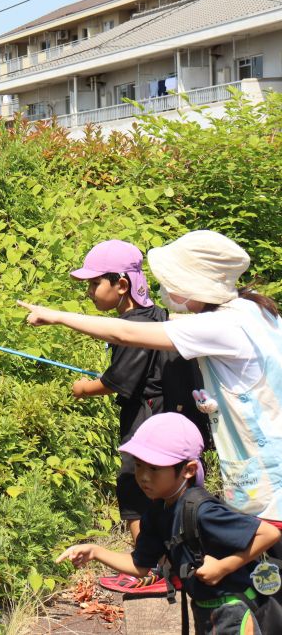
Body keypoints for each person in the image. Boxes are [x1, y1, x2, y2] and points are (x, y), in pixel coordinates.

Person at [20, 230, 282, 529]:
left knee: (264, 555)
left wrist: (56, 316)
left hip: (263, 463)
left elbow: (125, 333)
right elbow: (170, 324)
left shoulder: (220, 325)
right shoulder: (252, 309)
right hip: (269, 447)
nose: (166, 286)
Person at [56, 413, 281, 635]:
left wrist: (224, 567)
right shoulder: (157, 511)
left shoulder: (203, 511)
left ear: (188, 470)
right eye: (139, 466)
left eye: (154, 468)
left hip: (233, 609)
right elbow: (140, 566)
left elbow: (269, 533)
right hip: (204, 610)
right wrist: (95, 551)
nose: (143, 476)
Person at [66, 240, 203, 594]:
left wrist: (83, 387)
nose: (90, 292)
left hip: (146, 418)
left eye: (95, 284)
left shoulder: (132, 325)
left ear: (121, 284)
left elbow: (117, 381)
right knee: (161, 491)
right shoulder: (155, 316)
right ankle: (165, 564)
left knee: (136, 487)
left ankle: (148, 570)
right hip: (165, 414)